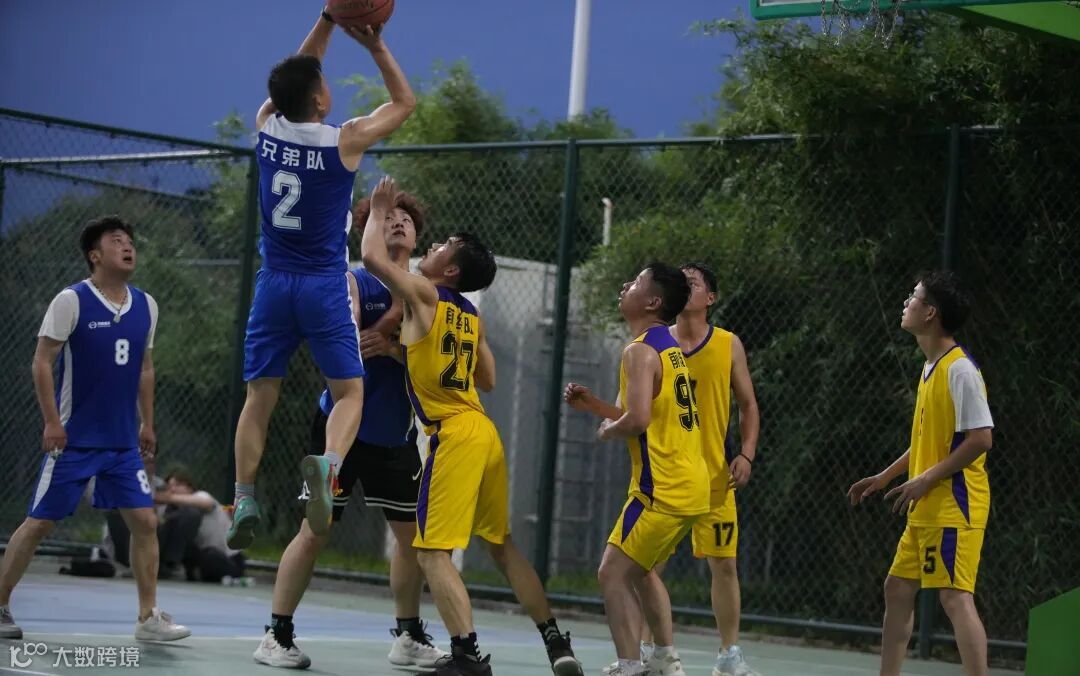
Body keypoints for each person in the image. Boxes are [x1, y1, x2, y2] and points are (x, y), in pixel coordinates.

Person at [360, 177, 583, 676]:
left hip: (454, 434)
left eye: (442, 245)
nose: (433, 245)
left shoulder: (426, 293)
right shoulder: (470, 316)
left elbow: (373, 259)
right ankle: (555, 642)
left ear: (451, 270)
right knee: (502, 547)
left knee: (431, 552)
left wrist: (378, 210)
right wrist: (401, 350)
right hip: (484, 430)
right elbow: (487, 378)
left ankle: (466, 656)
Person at [228, 6, 417, 549]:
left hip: (274, 284)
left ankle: (243, 496)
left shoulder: (266, 127)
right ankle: (329, 467)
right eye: (324, 85)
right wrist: (375, 44)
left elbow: (295, 73)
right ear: (318, 100)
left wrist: (329, 18)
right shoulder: (344, 141)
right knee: (349, 393)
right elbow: (404, 103)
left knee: (259, 395)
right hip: (324, 285)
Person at [254, 192, 447, 670]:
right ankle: (276, 634)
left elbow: (430, 362)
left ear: (417, 235)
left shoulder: (425, 291)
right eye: (388, 217)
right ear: (369, 230)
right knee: (314, 530)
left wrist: (395, 348)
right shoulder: (352, 280)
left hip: (395, 435)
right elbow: (352, 343)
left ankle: (407, 636)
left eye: (406, 219)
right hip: (341, 431)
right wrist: (386, 337)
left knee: (413, 539)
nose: (398, 223)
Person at [0, 215, 189, 641]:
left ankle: (148, 618)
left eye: (130, 241)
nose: (128, 246)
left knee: (145, 522)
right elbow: (42, 362)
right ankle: (1, 603)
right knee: (39, 523)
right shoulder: (72, 300)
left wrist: (148, 423)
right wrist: (52, 421)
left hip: (122, 444)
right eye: (116, 241)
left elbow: (145, 368)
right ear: (95, 255)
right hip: (74, 439)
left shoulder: (146, 305)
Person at [565, 263, 710, 676]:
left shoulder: (638, 351)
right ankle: (664, 658)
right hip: (691, 486)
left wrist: (608, 430)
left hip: (659, 489)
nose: (626, 285)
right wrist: (596, 407)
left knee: (611, 573)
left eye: (636, 283)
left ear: (652, 302)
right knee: (642, 571)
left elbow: (638, 420)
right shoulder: (670, 350)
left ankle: (630, 665)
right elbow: (645, 413)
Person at [848, 271, 993, 676]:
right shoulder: (931, 367)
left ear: (930, 313)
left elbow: (981, 439)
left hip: (954, 505)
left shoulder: (959, 370)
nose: (905, 303)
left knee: (954, 597)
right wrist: (886, 476)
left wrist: (927, 479)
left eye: (913, 297)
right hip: (925, 504)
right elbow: (930, 441)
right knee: (897, 588)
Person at [638, 263, 761, 676]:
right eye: (681, 282)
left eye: (693, 283)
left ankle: (729, 655)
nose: (685, 287)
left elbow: (748, 405)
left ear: (711, 298)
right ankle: (647, 651)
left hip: (715, 479)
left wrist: (746, 454)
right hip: (666, 477)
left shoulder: (727, 344)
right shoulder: (655, 344)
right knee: (647, 565)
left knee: (724, 564)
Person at [109, 468, 245, 584]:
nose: (173, 489)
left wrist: (164, 498)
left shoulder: (200, 496)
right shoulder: (173, 511)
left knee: (209, 555)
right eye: (169, 486)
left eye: (178, 485)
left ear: (190, 488)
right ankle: (158, 566)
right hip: (200, 556)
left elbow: (206, 503)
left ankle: (180, 569)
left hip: (228, 559)